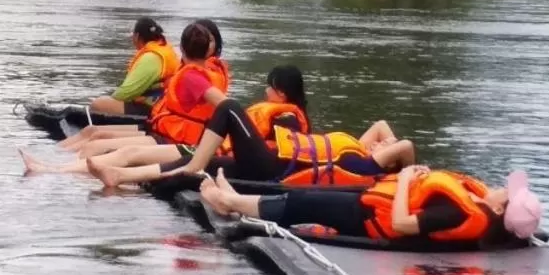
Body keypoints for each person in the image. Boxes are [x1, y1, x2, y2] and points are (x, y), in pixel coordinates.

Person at [21, 65, 309, 177]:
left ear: (280, 92)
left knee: (132, 154)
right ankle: (55, 168)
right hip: (208, 148)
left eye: (269, 88)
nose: (265, 92)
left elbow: (283, 151)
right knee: (127, 153)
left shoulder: (286, 116)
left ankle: (59, 170)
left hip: (226, 158)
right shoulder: (275, 111)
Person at [84, 93, 415, 189]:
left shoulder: (368, 164)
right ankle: (121, 176)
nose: (381, 142)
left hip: (271, 169)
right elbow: (383, 126)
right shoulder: (358, 150)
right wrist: (384, 144)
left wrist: (407, 172)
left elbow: (405, 148)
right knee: (201, 160)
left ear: (387, 161)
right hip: (268, 162)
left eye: (384, 147)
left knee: (227, 108)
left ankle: (197, 164)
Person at [198, 166, 543, 246]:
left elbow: (405, 225)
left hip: (371, 222)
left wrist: (406, 178)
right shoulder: (479, 203)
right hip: (372, 205)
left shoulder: (462, 213)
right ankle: (236, 199)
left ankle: (228, 201)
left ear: (501, 210)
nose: (499, 187)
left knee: (302, 202)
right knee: (305, 198)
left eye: (505, 192)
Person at [60, 18, 230, 150]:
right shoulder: (188, 69)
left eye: (206, 39)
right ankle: (54, 158)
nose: (201, 42)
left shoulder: (199, 75)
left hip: (177, 136)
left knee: (99, 140)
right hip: (163, 124)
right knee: (93, 133)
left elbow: (225, 106)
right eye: (197, 37)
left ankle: (51, 169)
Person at [84, 17, 180, 118]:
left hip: (155, 109)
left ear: (137, 36)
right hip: (163, 104)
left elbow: (125, 94)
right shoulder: (164, 49)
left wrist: (108, 100)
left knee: (98, 104)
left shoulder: (151, 58)